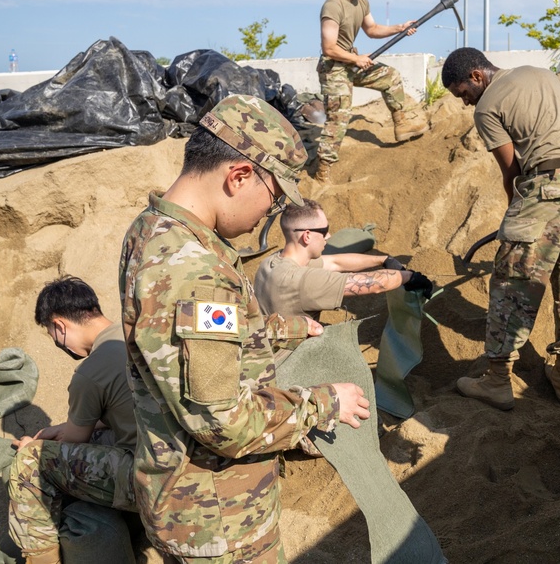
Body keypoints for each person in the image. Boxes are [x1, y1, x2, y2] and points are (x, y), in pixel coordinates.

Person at [119, 94, 371, 563]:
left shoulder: (154, 230)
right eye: (273, 200)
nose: (268, 216)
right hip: (220, 520)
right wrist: (323, 403)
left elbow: (189, 343)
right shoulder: (195, 272)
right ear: (238, 176)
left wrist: (282, 330)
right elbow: (224, 422)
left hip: (184, 497)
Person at [440, 47, 560, 410]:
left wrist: (515, 216)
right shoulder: (542, 73)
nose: (466, 103)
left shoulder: (488, 107)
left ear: (476, 76)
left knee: (512, 277)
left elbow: (512, 172)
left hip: (549, 184)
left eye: (463, 94)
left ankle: (497, 380)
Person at [8, 276, 137, 564]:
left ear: (59, 326)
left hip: (146, 479)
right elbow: (125, 409)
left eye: (53, 337)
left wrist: (33, 446)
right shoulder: (135, 334)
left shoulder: (90, 372)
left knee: (30, 462)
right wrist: (56, 429)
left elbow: (75, 440)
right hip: (182, 460)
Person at [314, 0, 429, 183]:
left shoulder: (362, 1)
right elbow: (329, 47)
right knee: (339, 117)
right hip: (334, 68)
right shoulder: (332, 6)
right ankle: (323, 169)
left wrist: (399, 28)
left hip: (351, 62)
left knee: (391, 76)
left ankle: (402, 124)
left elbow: (372, 29)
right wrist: (356, 59)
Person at [253, 198, 434, 319]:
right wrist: (410, 276)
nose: (329, 235)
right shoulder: (304, 281)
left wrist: (382, 260)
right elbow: (377, 284)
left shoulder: (271, 262)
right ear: (306, 236)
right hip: (292, 361)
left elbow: (335, 262)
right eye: (324, 231)